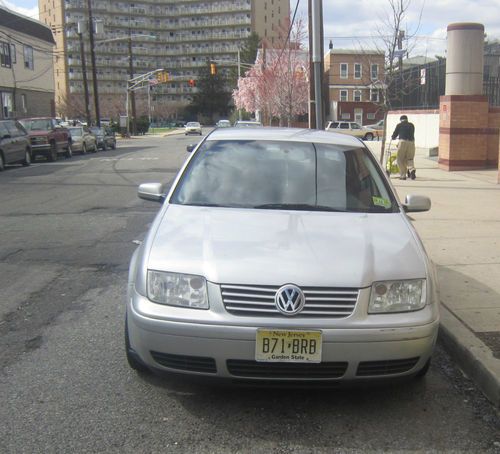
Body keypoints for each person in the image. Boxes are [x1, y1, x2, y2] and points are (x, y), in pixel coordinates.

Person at [391, 115, 416, 180]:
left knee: (400, 159)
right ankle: (412, 169)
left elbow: (395, 134)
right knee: (410, 158)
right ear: (407, 119)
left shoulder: (399, 125)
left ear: (401, 120)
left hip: (402, 142)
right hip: (411, 142)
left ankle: (403, 175)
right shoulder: (411, 125)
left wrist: (393, 137)